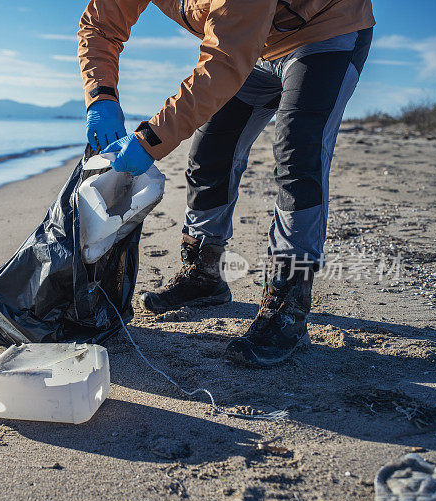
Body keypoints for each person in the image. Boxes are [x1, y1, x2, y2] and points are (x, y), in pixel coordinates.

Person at [78, 0, 374, 367]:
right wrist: (101, 96)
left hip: (324, 31)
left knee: (299, 154)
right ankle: (203, 273)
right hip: (252, 43)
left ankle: (289, 302)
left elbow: (222, 65)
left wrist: (149, 140)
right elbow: (102, 24)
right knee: (210, 151)